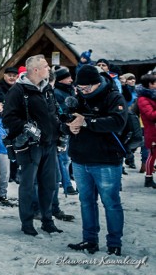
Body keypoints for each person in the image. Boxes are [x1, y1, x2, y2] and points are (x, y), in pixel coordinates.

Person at [64, 65, 126, 255]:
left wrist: (87, 122)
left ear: (97, 83)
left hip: (106, 159)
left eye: (87, 88)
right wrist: (69, 127)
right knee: (86, 201)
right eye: (80, 88)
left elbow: (117, 122)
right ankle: (89, 239)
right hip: (80, 159)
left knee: (111, 202)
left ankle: (114, 242)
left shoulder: (113, 96)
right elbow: (66, 118)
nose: (83, 91)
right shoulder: (78, 97)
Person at [2, 54, 62, 236]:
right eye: (45, 66)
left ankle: (47, 220)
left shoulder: (47, 89)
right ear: (35, 70)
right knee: (28, 185)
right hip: (29, 145)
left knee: (49, 184)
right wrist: (26, 127)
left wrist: (61, 130)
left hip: (49, 144)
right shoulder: (17, 91)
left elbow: (53, 114)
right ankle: (27, 222)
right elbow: (8, 118)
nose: (48, 69)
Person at [53, 67, 77, 195]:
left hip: (73, 126)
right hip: (64, 128)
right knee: (64, 158)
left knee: (70, 158)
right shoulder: (57, 92)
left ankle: (70, 183)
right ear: (61, 79)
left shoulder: (70, 90)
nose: (71, 80)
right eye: (68, 77)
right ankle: (67, 184)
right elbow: (62, 110)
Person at [137, 74, 156, 189]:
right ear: (149, 84)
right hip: (153, 131)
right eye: (154, 83)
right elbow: (151, 115)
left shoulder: (153, 96)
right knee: (152, 155)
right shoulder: (142, 99)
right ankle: (148, 178)